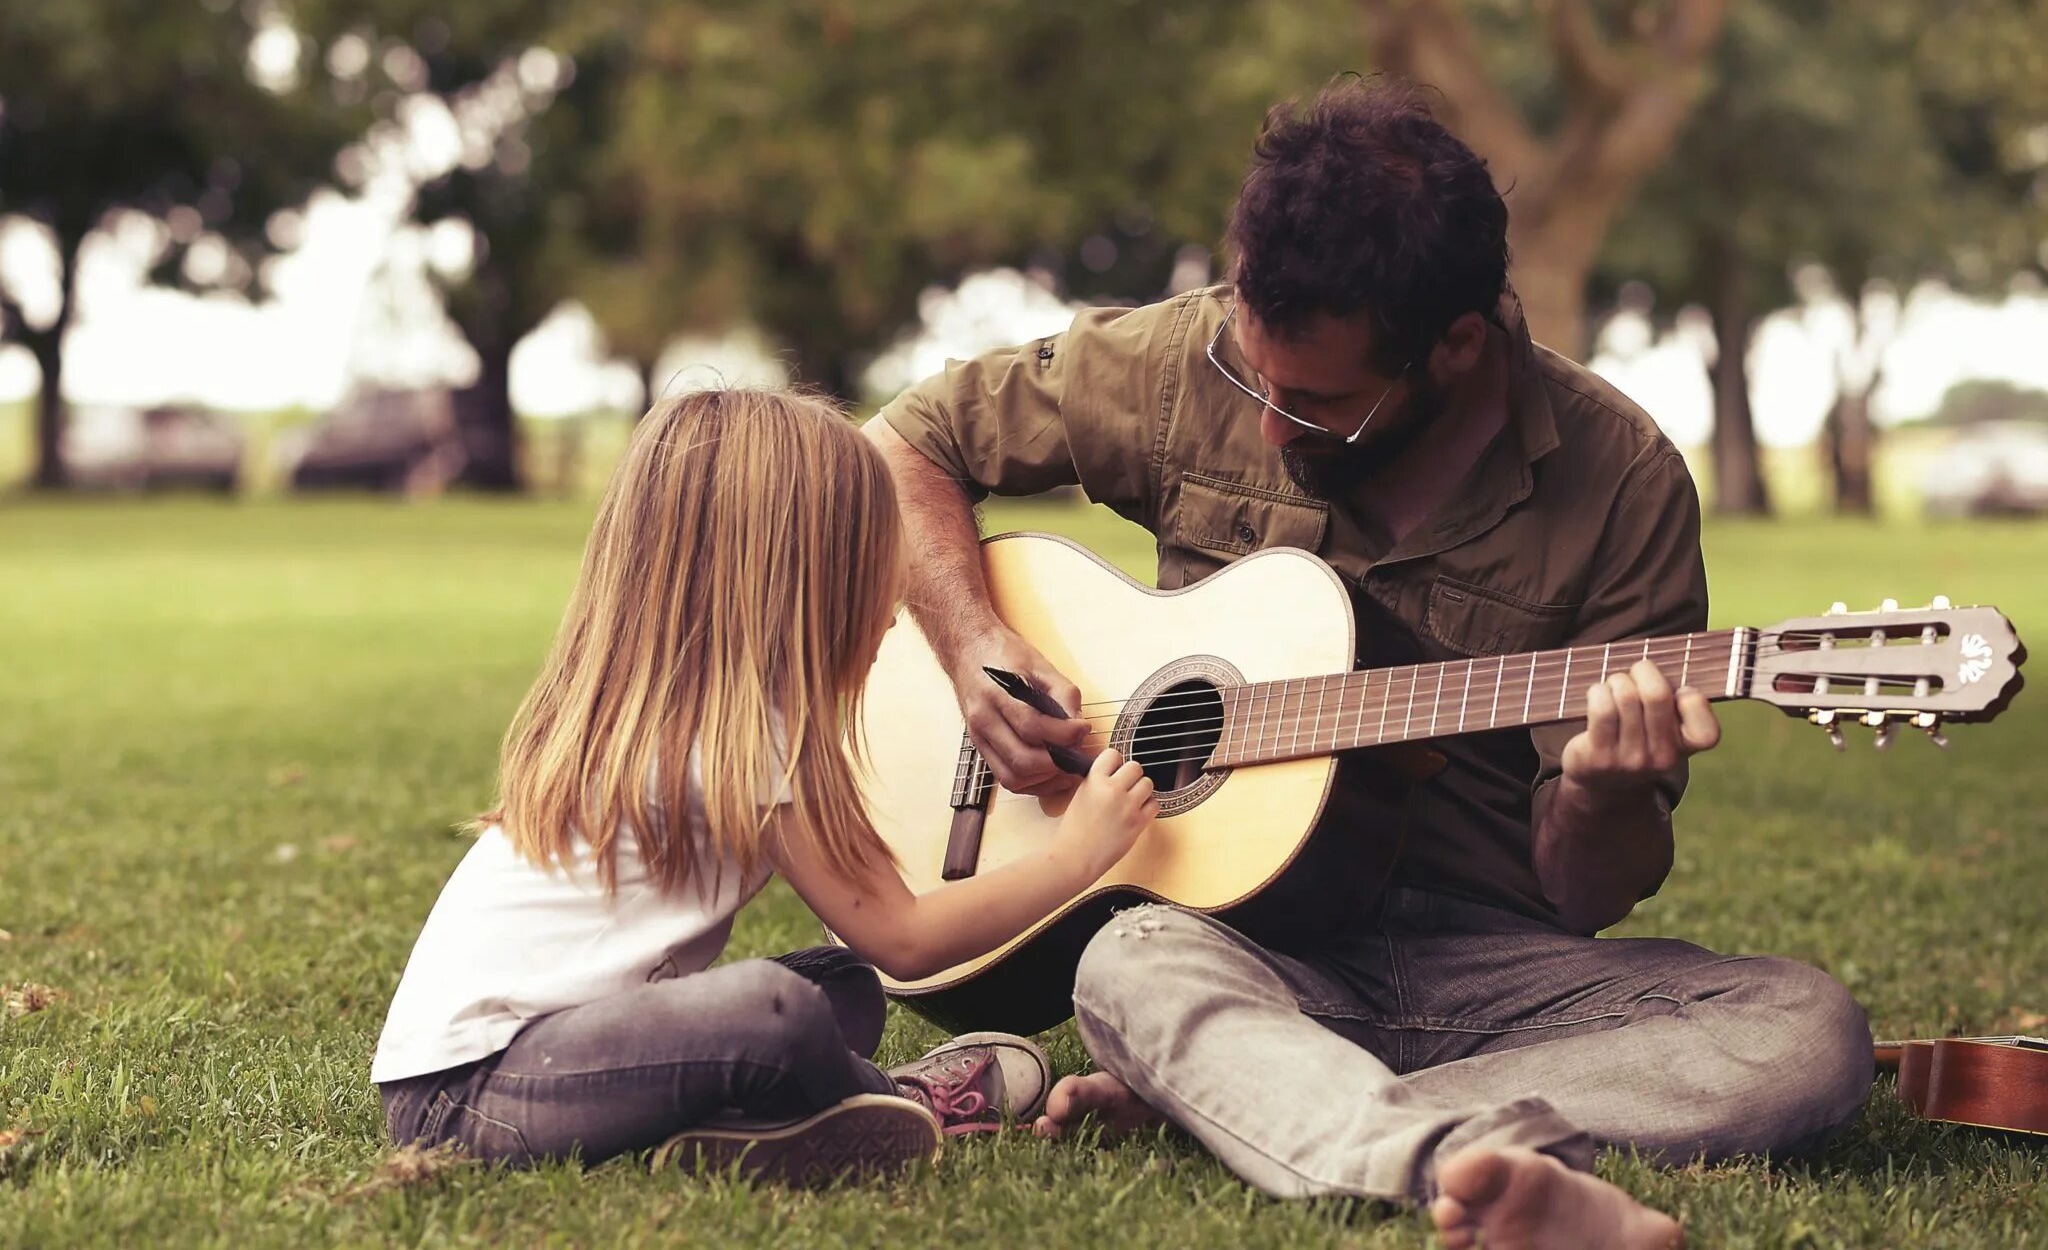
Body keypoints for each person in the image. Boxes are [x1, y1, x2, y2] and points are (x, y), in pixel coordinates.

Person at [868, 76, 1872, 1248]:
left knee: (1806, 1032)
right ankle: (1413, 1137)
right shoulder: (1182, 359)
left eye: (1318, 406)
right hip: (1229, 936)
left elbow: (1590, 891)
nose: (1266, 427)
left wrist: (1604, 788)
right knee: (1128, 963)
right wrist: (971, 639)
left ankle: (1247, 1099)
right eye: (1253, 380)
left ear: (1454, 344)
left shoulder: (1624, 483)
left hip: (1488, 971)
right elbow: (902, 440)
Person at [371, 387, 1159, 1185]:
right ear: (805, 577)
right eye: (874, 550)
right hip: (475, 1095)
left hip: (512, 1067)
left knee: (840, 985)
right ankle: (902, 1105)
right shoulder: (748, 740)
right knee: (773, 1014)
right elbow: (906, 938)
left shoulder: (670, 709)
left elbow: (869, 949)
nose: (894, 587)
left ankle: (756, 1123)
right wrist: (1075, 857)